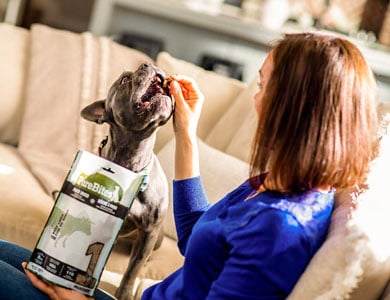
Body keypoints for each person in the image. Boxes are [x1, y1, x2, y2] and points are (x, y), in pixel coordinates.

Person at [0, 32, 378, 300]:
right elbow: (195, 235)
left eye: (262, 85)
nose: (256, 100)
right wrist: (186, 132)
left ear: (293, 107)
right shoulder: (274, 184)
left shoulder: (279, 231)